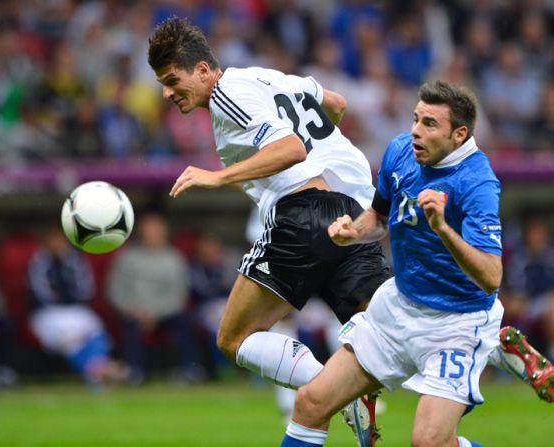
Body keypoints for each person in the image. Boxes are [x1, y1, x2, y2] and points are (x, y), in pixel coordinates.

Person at [279, 81, 554, 447]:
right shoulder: (400, 151)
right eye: (415, 119)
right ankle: (497, 351)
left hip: (456, 324)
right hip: (399, 308)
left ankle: (490, 348)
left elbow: (491, 277)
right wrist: (353, 230)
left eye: (429, 123)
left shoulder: (477, 183)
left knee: (429, 441)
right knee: (310, 402)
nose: (415, 130)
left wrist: (443, 229)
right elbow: (378, 218)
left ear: (459, 134)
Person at [147, 15, 392, 432]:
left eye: (173, 80)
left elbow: (291, 148)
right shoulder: (264, 77)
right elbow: (335, 102)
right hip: (349, 213)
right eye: (162, 84)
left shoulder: (227, 95)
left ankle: (330, 388)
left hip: (302, 214)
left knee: (233, 338)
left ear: (203, 70)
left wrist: (217, 176)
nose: (168, 93)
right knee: (387, 330)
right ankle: (480, 341)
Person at [106, 212, 205, 384]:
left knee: (185, 322)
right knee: (130, 327)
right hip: (134, 312)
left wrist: (155, 314)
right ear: (141, 231)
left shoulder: (174, 258)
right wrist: (134, 310)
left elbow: (178, 295)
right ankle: (134, 372)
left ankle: (190, 369)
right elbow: (115, 291)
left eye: (156, 229)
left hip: (165, 314)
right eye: (149, 229)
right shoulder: (127, 257)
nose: (153, 234)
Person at [27, 225, 127, 389]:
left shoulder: (75, 260)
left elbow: (86, 290)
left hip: (76, 309)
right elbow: (41, 294)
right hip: (48, 313)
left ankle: (96, 369)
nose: (57, 244)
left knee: (96, 330)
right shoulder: (38, 261)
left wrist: (67, 292)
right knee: (70, 339)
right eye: (54, 240)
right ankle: (97, 372)